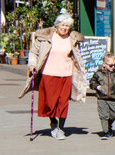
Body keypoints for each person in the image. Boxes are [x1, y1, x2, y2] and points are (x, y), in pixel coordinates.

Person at [26, 12, 89, 140]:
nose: (65, 28)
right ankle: (53, 123)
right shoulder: (46, 37)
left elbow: (76, 56)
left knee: (63, 103)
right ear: (57, 25)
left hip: (66, 74)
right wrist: (32, 64)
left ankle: (60, 128)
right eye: (63, 25)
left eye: (67, 26)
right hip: (49, 73)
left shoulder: (72, 39)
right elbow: (34, 52)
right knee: (49, 103)